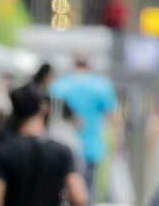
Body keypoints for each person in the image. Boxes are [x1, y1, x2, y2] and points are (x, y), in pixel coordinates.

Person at [50, 54, 117, 197]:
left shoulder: (60, 85)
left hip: (62, 143)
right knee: (88, 186)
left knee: (62, 185)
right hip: (91, 145)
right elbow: (111, 115)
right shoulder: (101, 86)